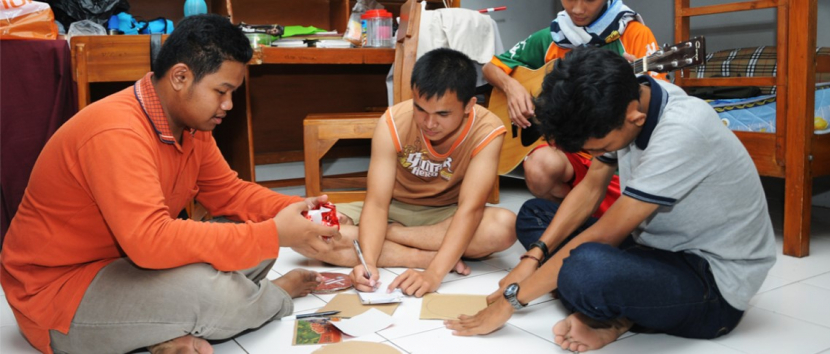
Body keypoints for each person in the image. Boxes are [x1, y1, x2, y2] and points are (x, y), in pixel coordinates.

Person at [0, 14, 342, 354]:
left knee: (246, 227)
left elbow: (230, 193)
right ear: (180, 77)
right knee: (216, 294)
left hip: (125, 266)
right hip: (59, 293)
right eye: (221, 91)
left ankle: (173, 323)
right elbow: (150, 243)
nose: (228, 105)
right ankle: (273, 294)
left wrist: (296, 211)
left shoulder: (191, 124)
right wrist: (275, 235)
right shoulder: (116, 131)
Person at [445, 47, 776, 352]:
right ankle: (609, 310)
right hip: (655, 250)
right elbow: (590, 189)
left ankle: (610, 315)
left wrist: (511, 301)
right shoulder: (628, 99)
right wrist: (531, 260)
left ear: (635, 118)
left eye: (599, 149)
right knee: (534, 215)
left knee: (585, 268)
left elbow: (606, 233)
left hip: (713, 284)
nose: (595, 156)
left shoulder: (682, 131)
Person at [293, 48, 516, 297]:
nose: (429, 124)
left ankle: (394, 237)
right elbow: (377, 204)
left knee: (503, 227)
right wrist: (367, 264)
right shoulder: (393, 122)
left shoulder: (488, 130)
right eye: (420, 109)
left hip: (446, 215)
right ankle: (421, 255)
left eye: (443, 114)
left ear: (469, 105)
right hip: (392, 206)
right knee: (304, 230)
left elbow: (470, 210)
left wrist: (434, 274)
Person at [483, 0, 666, 232]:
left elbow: (659, 101)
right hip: (571, 153)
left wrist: (633, 85)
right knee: (538, 168)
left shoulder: (634, 34)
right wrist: (511, 88)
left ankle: (584, 220)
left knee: (648, 222)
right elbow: (490, 68)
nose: (578, 9)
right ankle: (575, 224)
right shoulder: (550, 37)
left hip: (616, 161)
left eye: (589, 0)